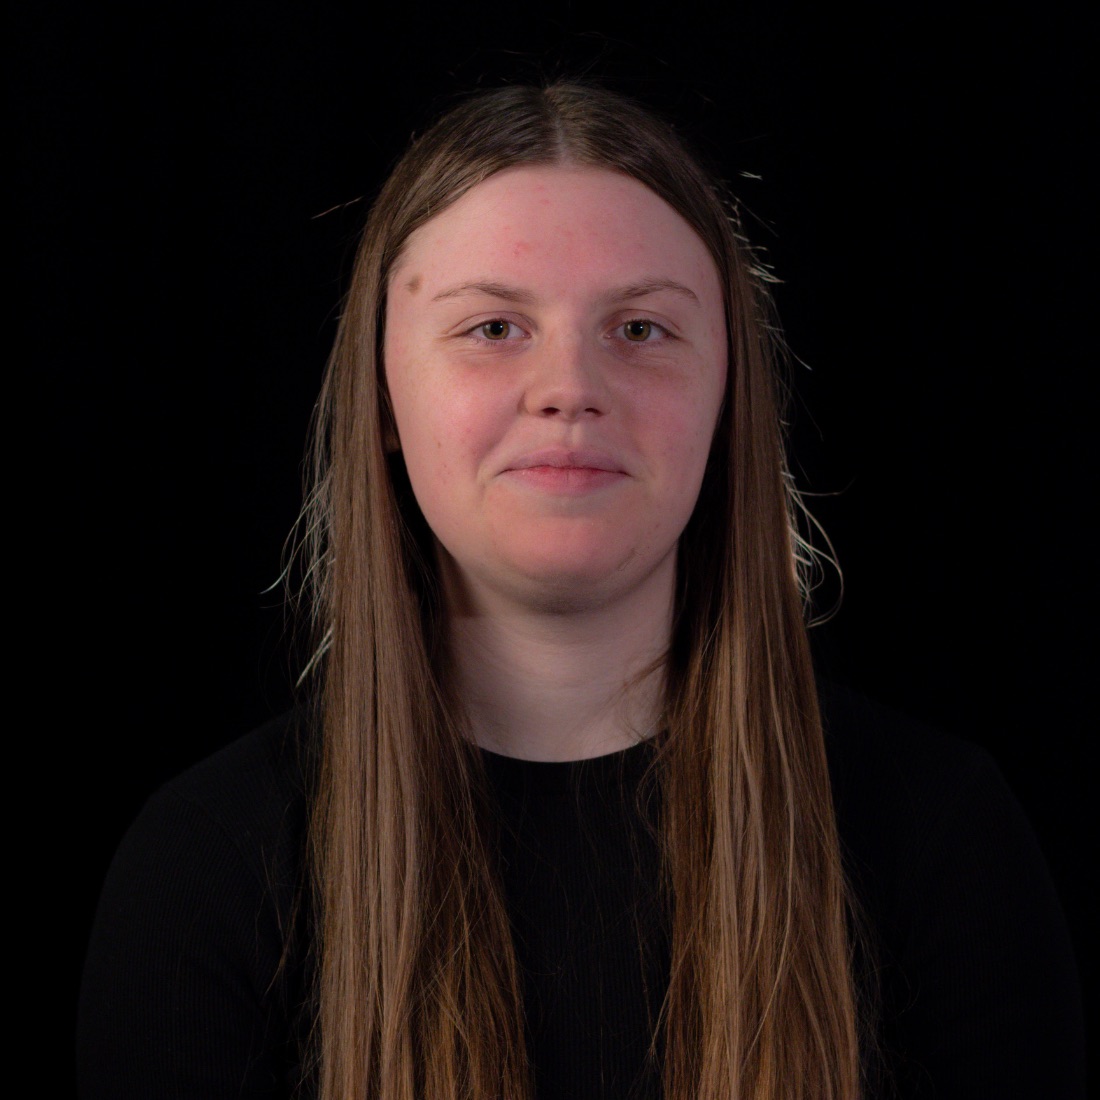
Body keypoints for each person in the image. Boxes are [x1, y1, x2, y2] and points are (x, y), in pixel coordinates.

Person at [77, 82, 1085, 1100]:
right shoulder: (205, 869)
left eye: (640, 328)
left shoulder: (940, 838)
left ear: (728, 396)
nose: (569, 385)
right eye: (492, 328)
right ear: (382, 398)